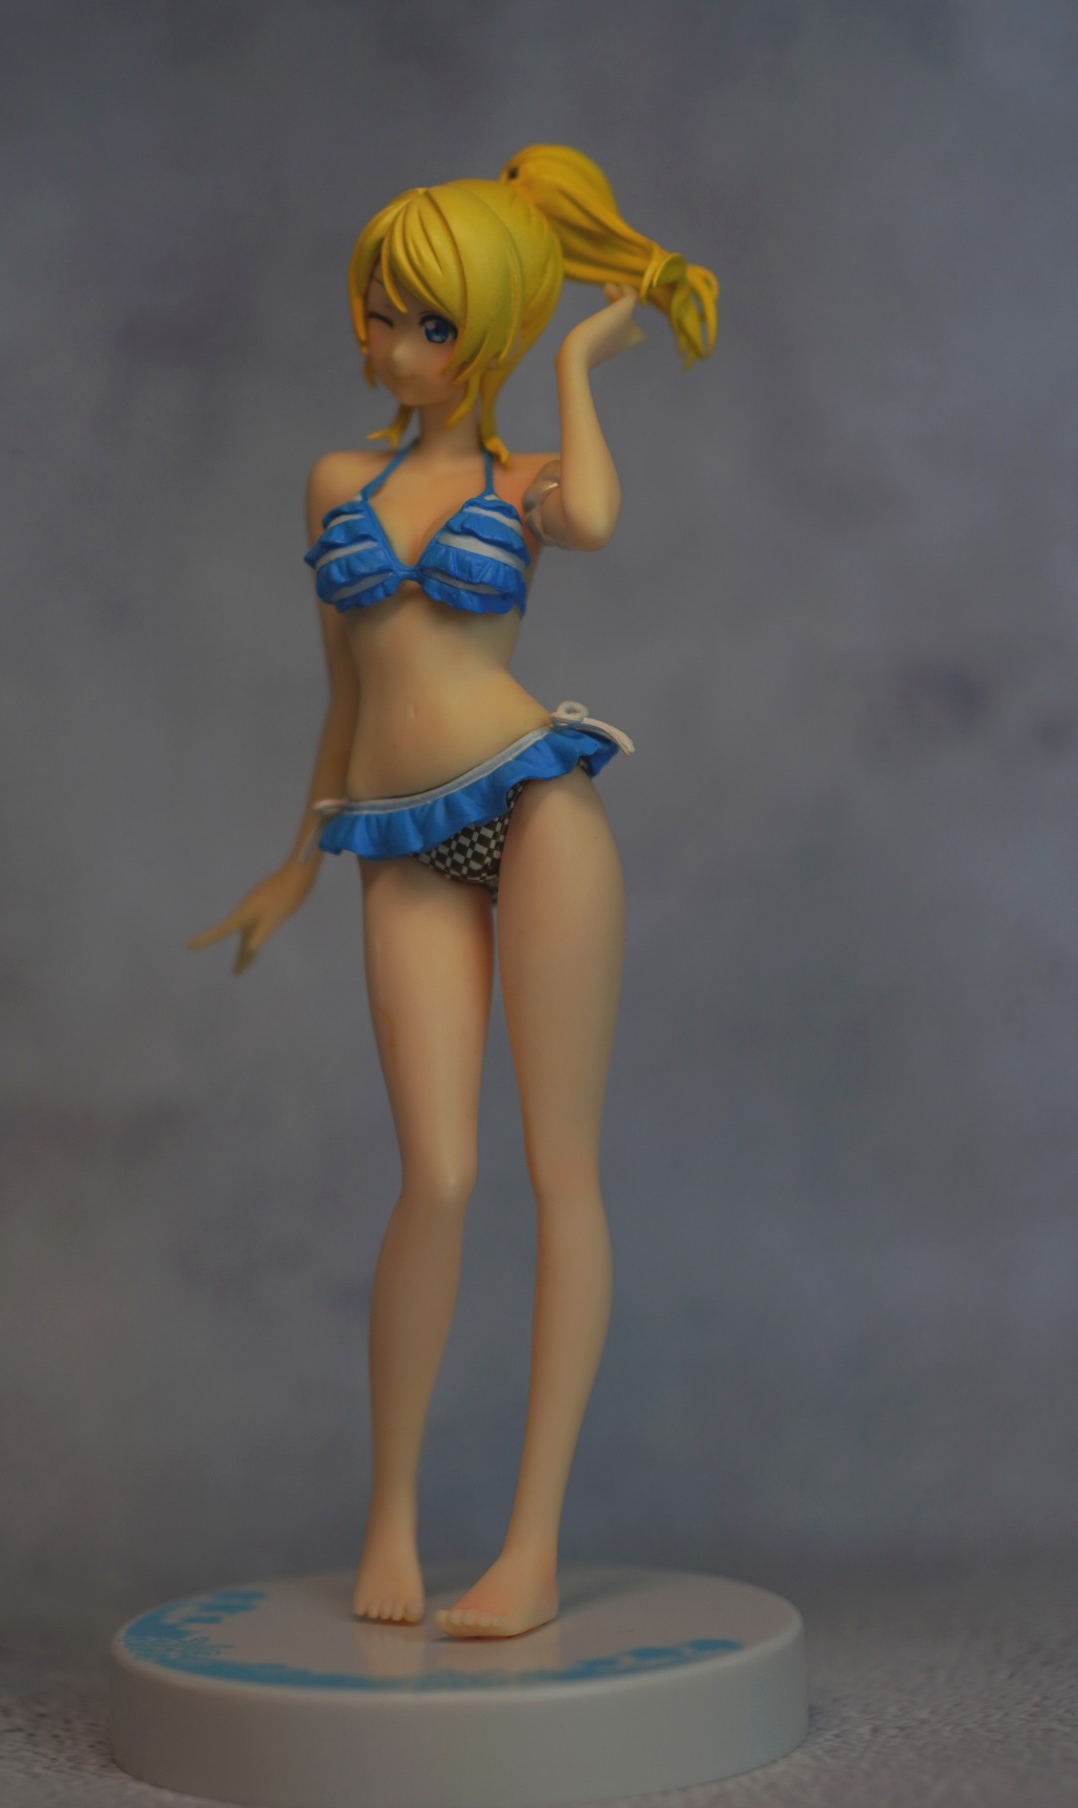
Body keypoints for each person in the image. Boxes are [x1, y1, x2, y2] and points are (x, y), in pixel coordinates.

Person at [191, 145, 717, 1640]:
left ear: (484, 335)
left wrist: (581, 363)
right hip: (397, 837)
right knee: (434, 1178)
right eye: (379, 312)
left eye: (425, 322)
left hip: (539, 812)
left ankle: (532, 1545)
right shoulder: (337, 480)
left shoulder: (527, 482)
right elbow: (343, 694)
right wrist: (296, 859)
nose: (389, 343)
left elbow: (596, 520)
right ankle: (394, 1517)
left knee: (561, 1173)